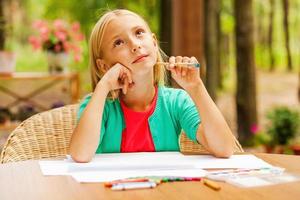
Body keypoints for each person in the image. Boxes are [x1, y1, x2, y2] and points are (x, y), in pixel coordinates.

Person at [69, 9, 235, 163]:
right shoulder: (98, 105)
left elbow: (224, 148)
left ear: (154, 44)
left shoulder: (176, 102)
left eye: (139, 33)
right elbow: (80, 155)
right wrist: (103, 85)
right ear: (104, 66)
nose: (135, 45)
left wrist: (196, 87)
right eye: (119, 42)